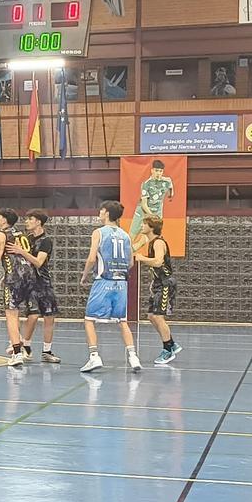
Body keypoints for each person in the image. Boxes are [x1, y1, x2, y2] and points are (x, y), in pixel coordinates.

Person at [80, 201, 141, 373]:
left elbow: (91, 258)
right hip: (121, 283)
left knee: (89, 319)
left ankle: (94, 356)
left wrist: (84, 275)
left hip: (103, 281)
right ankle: (133, 357)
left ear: (106, 213)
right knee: (122, 321)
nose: (99, 212)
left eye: (101, 210)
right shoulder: (126, 235)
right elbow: (131, 262)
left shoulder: (99, 232)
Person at [0, 208, 37, 368]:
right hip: (29, 277)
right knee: (26, 313)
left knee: (11, 316)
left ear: (5, 220)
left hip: (14, 280)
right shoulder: (21, 234)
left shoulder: (2, 234)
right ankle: (21, 344)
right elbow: (20, 258)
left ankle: (17, 353)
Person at [6, 208, 60, 364]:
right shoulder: (27, 238)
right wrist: (9, 274)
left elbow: (38, 262)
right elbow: (19, 260)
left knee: (49, 317)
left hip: (44, 282)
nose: (27, 222)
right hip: (29, 282)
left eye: (30, 219)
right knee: (33, 315)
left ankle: (47, 351)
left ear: (38, 222)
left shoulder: (46, 241)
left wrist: (21, 251)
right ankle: (26, 346)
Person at [133, 216, 182, 365]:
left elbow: (158, 262)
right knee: (151, 316)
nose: (142, 226)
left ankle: (167, 350)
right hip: (158, 283)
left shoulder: (158, 243)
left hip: (165, 284)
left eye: (144, 224)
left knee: (158, 317)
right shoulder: (150, 242)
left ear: (151, 227)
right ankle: (172, 344)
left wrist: (141, 258)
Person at [129, 159, 174, 241]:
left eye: (160, 171)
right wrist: (151, 215)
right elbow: (144, 204)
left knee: (154, 237)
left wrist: (170, 194)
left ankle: (151, 249)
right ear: (152, 170)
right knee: (131, 237)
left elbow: (171, 190)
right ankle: (128, 249)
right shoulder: (146, 184)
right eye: (156, 171)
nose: (158, 173)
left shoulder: (167, 181)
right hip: (143, 213)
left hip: (157, 213)